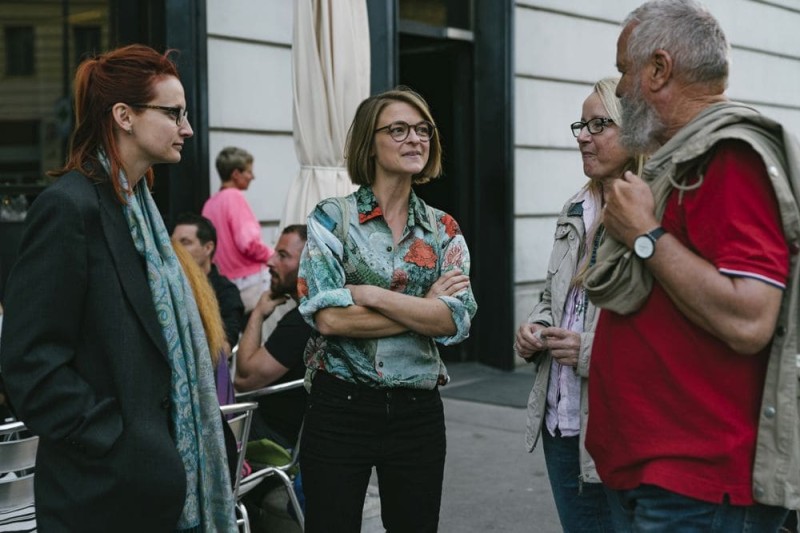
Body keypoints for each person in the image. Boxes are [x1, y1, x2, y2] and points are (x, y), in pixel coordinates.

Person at [582, 1, 800, 530]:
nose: (622, 86)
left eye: (624, 70)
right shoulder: (684, 157)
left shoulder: (728, 158)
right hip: (662, 480)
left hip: (695, 489)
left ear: (658, 70)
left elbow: (749, 320)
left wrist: (645, 235)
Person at [0, 44, 237, 531]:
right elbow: (30, 362)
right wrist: (116, 441)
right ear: (124, 116)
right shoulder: (69, 208)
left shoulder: (142, 213)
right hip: (103, 495)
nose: (187, 128)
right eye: (174, 113)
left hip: (158, 488)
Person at [297, 86, 478, 533]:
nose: (414, 139)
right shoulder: (331, 217)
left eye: (422, 130)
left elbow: (454, 320)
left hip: (418, 413)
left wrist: (370, 295)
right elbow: (329, 317)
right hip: (340, 407)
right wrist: (424, 307)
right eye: (398, 130)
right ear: (369, 143)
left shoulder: (444, 228)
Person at [515, 77, 641, 533]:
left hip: (618, 429)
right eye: (581, 125)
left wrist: (589, 349)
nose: (582, 136)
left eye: (598, 124)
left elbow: (661, 333)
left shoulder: (651, 214)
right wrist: (533, 327)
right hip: (560, 423)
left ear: (634, 132)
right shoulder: (574, 207)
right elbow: (552, 298)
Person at [235, 224, 311, 449]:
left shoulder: (300, 322)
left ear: (308, 265)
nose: (270, 262)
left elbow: (244, 381)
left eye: (283, 255)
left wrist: (258, 314)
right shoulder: (316, 314)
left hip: (272, 439)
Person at [202, 146, 274, 313]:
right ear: (235, 174)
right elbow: (249, 244)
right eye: (249, 172)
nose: (252, 177)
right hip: (250, 281)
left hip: (226, 282)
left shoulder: (210, 204)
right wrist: (273, 256)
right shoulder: (234, 197)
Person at [172, 212, 245, 349]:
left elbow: (224, 347)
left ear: (208, 248)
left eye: (185, 242)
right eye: (173, 243)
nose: (175, 249)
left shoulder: (226, 291)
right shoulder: (164, 285)